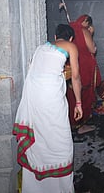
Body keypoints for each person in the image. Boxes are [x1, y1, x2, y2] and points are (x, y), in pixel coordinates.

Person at [12, 24, 83, 192]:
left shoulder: (41, 48)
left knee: (41, 138)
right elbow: (76, 76)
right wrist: (78, 103)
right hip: (51, 99)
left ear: (55, 36)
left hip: (34, 100)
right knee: (60, 141)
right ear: (71, 38)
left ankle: (37, 187)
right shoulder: (71, 46)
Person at [66, 14, 101, 134]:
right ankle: (80, 124)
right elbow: (93, 49)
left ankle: (71, 122)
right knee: (84, 93)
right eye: (89, 23)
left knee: (71, 94)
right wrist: (90, 34)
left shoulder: (70, 28)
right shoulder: (84, 30)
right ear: (86, 22)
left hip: (71, 64)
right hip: (83, 66)